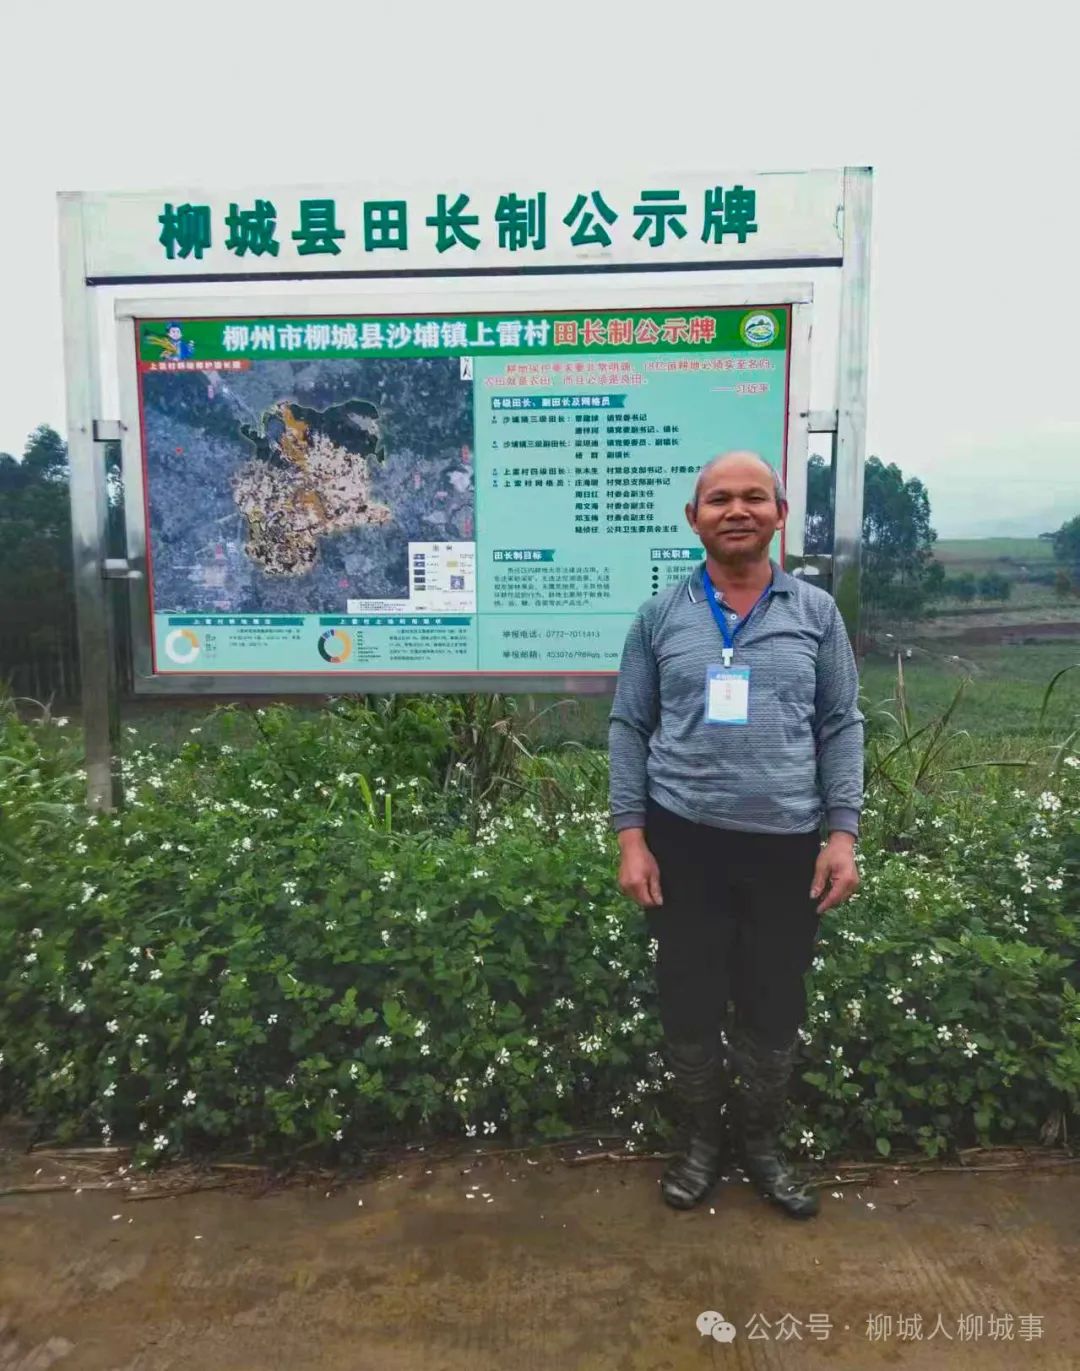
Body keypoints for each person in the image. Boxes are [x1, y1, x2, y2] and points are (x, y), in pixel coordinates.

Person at [609, 451, 863, 1219]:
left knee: (773, 1003)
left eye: (755, 496)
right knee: (688, 1001)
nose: (737, 509)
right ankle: (700, 1142)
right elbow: (629, 726)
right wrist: (631, 838)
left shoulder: (816, 614)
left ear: (781, 514)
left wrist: (842, 833)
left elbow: (841, 723)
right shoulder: (659, 617)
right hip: (683, 842)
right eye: (719, 498)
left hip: (785, 845)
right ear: (694, 519)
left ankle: (761, 1142)